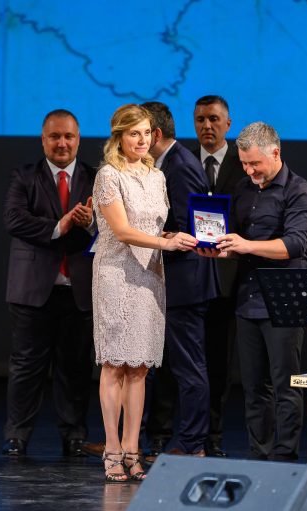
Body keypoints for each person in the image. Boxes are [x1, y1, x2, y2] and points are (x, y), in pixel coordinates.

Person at [198, 122, 307, 461]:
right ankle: (259, 455)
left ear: (275, 153)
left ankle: (284, 456)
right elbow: (236, 242)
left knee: (286, 384)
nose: (249, 171)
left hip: (285, 300)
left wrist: (246, 245)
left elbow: (294, 245)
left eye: (255, 163)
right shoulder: (243, 188)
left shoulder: (301, 191)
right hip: (247, 298)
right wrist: (218, 249)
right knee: (253, 387)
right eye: (244, 164)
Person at [92, 104, 197, 482]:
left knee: (139, 368)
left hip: (150, 275)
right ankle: (111, 449)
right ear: (119, 136)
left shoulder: (157, 176)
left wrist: (174, 237)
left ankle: (132, 449)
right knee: (114, 364)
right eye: (134, 133)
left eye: (147, 133)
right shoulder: (108, 175)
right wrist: (165, 243)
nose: (142, 140)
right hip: (117, 275)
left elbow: (153, 228)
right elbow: (122, 230)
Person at [2, 109, 96, 458]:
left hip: (80, 289)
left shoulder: (97, 177)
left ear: (78, 139)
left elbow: (113, 227)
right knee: (26, 367)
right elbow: (13, 219)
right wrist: (60, 226)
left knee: (76, 369)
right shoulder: (24, 175)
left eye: (68, 136)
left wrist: (91, 223)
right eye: (55, 136)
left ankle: (75, 436)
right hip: (31, 290)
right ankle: (17, 436)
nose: (62, 143)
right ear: (43, 140)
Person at [140, 101, 217, 457]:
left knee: (189, 368)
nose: (135, 140)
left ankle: (192, 443)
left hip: (185, 284)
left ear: (155, 133)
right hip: (170, 281)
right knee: (167, 368)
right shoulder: (168, 162)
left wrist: (141, 234)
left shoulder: (181, 166)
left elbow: (193, 231)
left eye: (141, 132)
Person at [192, 95, 247, 457]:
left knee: (218, 363)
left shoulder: (244, 164)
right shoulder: (182, 162)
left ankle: (213, 435)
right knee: (177, 362)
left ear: (228, 124)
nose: (207, 126)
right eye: (200, 119)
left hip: (229, 281)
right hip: (188, 276)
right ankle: (165, 435)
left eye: (213, 119)